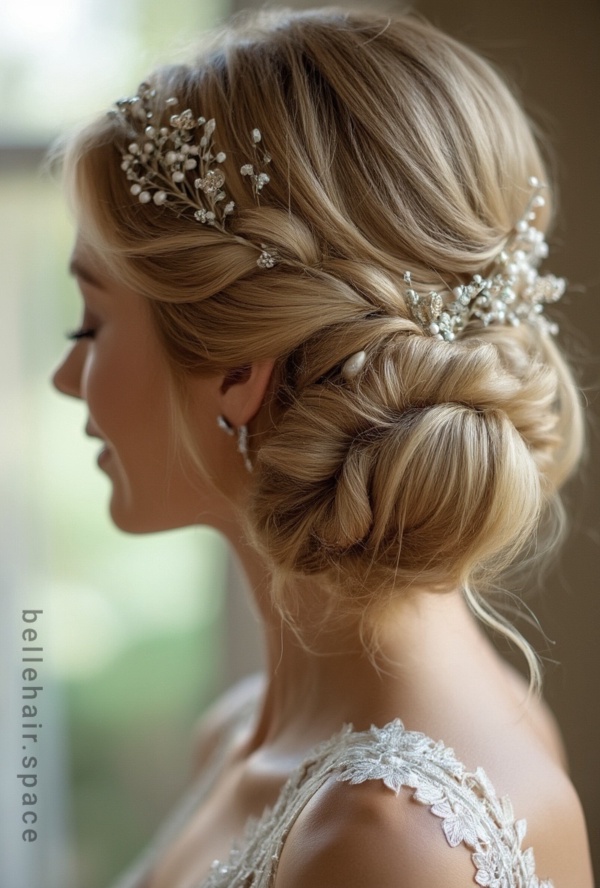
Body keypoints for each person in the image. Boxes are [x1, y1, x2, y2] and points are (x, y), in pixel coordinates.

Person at [51, 8, 594, 887]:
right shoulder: (238, 735)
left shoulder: (389, 842)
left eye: (91, 323)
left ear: (238, 369)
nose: (67, 378)